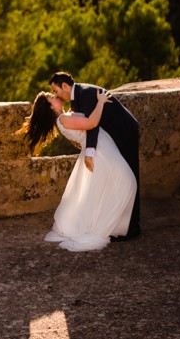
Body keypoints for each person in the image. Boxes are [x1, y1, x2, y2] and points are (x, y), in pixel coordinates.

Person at [18, 86, 136, 251]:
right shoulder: (63, 120)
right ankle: (102, 227)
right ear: (51, 106)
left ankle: (110, 225)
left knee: (108, 188)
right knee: (127, 182)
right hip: (100, 152)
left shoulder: (65, 117)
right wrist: (100, 102)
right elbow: (92, 123)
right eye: (51, 96)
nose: (55, 95)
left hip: (101, 149)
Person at [49, 71, 141, 239]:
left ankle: (132, 227)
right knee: (116, 182)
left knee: (129, 178)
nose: (56, 94)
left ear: (64, 86)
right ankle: (118, 224)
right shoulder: (76, 101)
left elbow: (93, 126)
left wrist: (89, 152)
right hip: (110, 141)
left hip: (124, 133)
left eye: (56, 90)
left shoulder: (87, 94)